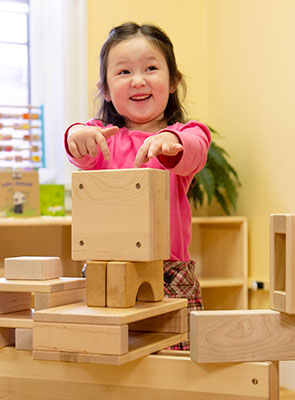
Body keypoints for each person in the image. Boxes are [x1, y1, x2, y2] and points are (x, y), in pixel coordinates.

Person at [64, 22, 210, 350]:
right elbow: (76, 143)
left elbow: (196, 146)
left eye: (151, 68)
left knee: (175, 363)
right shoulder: (103, 138)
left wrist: (172, 141)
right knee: (109, 360)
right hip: (106, 271)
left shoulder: (184, 136)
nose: (138, 80)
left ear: (173, 81)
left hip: (169, 273)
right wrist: (77, 134)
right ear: (105, 89)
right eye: (124, 71)